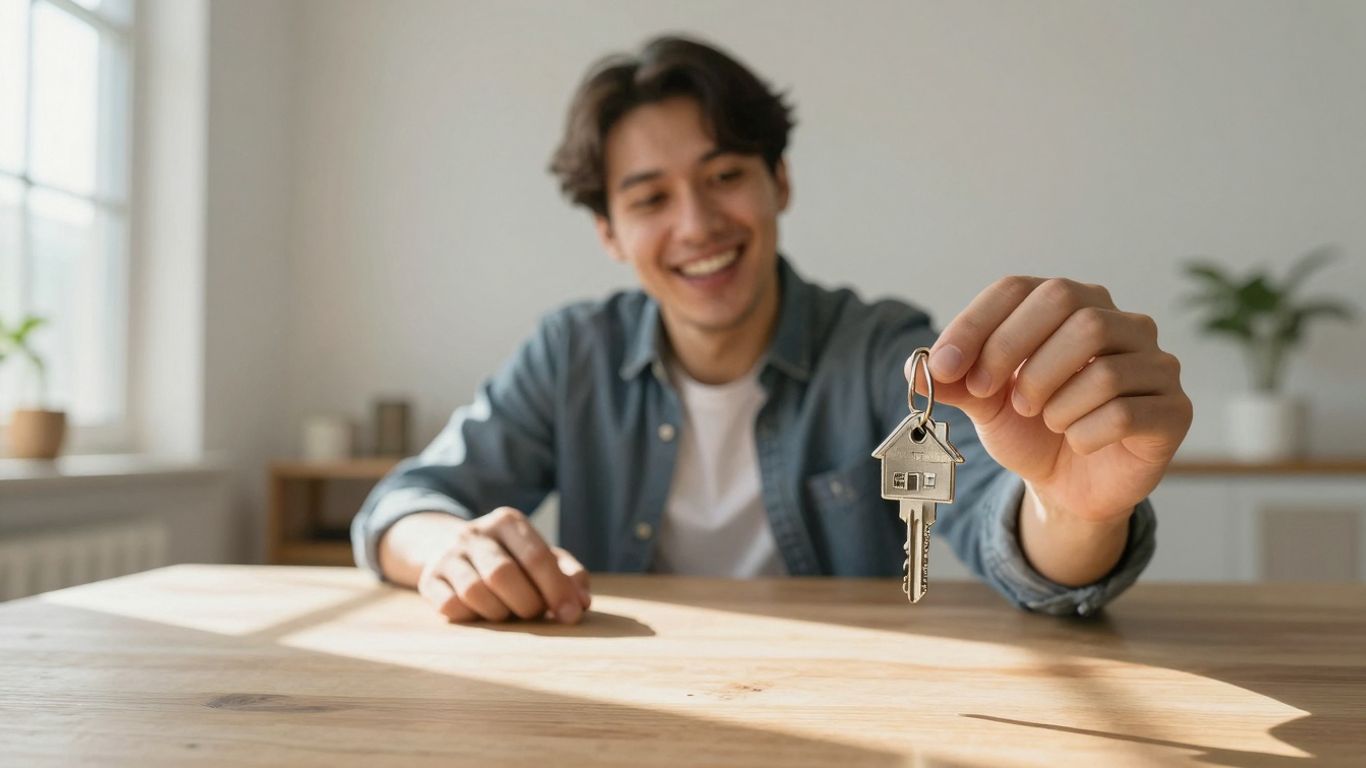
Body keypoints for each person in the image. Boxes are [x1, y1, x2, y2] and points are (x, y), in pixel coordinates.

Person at [351, 35, 1192, 624]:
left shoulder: (878, 348)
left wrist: (1075, 509)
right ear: (608, 232)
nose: (698, 223)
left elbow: (1005, 526)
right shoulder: (572, 354)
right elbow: (403, 506)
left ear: (779, 182)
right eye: (649, 198)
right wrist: (451, 550)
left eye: (725, 176)